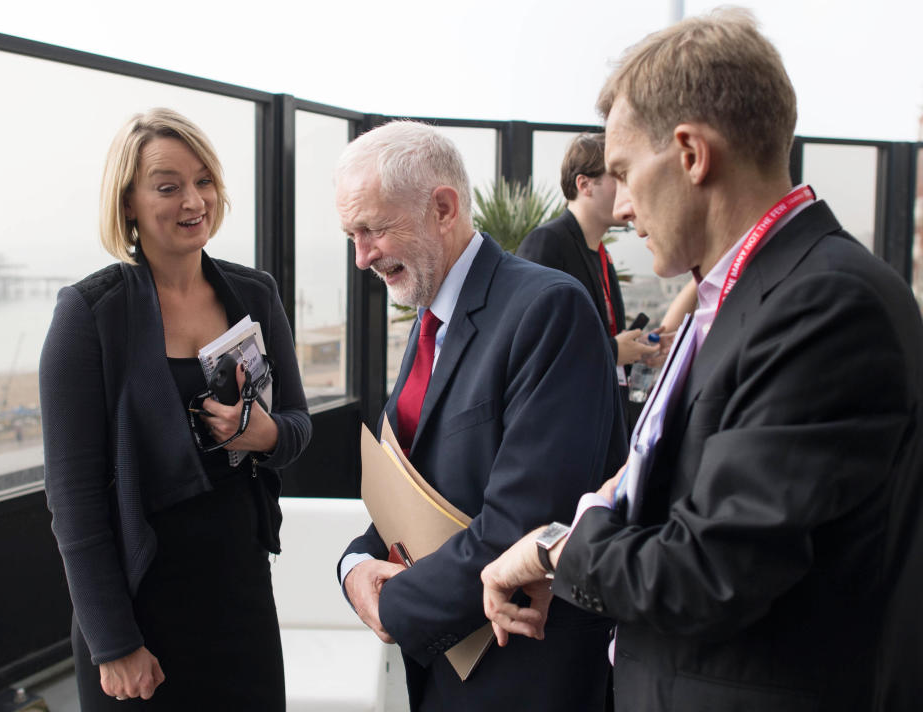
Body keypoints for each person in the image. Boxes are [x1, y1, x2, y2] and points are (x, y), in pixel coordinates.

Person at [481, 9, 923, 711]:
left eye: (624, 172)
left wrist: (551, 551)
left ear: (690, 154)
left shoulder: (827, 305)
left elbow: (710, 570)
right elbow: (664, 476)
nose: (621, 206)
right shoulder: (747, 290)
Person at [335, 120, 627, 711]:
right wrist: (355, 566)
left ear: (443, 207)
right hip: (449, 672)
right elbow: (411, 490)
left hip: (524, 675)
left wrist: (391, 605)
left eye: (372, 230)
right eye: (351, 235)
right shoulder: (429, 319)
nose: (362, 256)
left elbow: (523, 522)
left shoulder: (547, 309)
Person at [41, 108, 311, 710]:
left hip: (240, 592)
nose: (194, 200)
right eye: (168, 186)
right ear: (129, 203)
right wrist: (113, 643)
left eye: (205, 180)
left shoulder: (255, 294)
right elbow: (73, 500)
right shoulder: (89, 315)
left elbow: (297, 425)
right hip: (142, 602)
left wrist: (266, 437)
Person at [516, 131, 659, 427]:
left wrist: (635, 348)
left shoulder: (600, 253)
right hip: (564, 425)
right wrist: (615, 350)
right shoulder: (547, 243)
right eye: (617, 179)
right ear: (584, 184)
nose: (627, 191)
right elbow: (532, 347)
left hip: (600, 416)